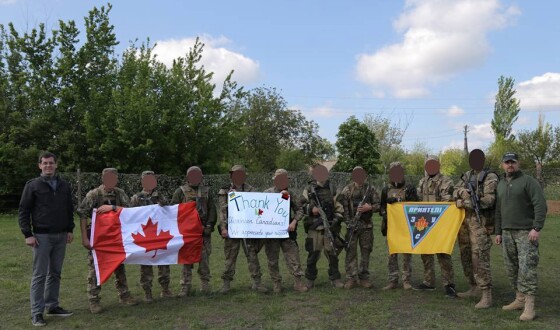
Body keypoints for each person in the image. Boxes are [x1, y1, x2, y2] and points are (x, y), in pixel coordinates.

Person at [18, 152, 74, 327]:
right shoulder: (33, 185)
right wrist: (28, 234)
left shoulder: (64, 185)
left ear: (56, 165)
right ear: (40, 166)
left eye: (51, 163)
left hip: (61, 236)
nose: (48, 166)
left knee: (55, 273)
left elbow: (69, 209)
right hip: (41, 237)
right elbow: (23, 211)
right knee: (39, 275)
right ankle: (37, 313)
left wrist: (70, 229)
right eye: (45, 163)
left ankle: (52, 306)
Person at [495, 152, 547, 321]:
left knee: (527, 269)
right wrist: (498, 232)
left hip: (526, 233)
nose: (510, 165)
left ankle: (530, 306)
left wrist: (536, 228)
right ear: (503, 164)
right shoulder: (501, 184)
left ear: (518, 164)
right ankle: (519, 299)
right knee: (511, 268)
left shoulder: (529, 182)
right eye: (507, 162)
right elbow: (498, 210)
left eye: (513, 162)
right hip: (506, 232)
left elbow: (540, 205)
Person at [77, 168, 137, 314]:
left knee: (119, 266)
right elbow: (83, 214)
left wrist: (113, 207)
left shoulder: (119, 193)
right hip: (99, 239)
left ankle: (124, 295)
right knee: (95, 268)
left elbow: (130, 211)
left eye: (113, 178)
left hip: (116, 237)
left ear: (116, 179)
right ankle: (94, 300)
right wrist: (85, 237)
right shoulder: (94, 194)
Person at [453, 149, 498, 309]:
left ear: (483, 159)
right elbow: (454, 190)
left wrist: (465, 202)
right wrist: (462, 191)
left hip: (481, 223)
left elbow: (489, 200)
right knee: (465, 254)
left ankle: (486, 294)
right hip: (464, 223)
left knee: (479, 258)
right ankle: (474, 287)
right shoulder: (466, 175)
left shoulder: (490, 177)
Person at [218, 165, 268, 293]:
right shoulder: (225, 191)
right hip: (232, 228)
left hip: (247, 228)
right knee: (230, 256)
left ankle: (257, 282)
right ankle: (226, 283)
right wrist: (223, 228)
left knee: (252, 255)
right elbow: (222, 211)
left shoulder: (251, 190)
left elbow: (257, 208)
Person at [413, 156, 458, 297]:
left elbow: (447, 200)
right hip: (425, 223)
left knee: (443, 254)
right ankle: (428, 282)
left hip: (441, 222)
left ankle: (449, 284)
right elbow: (418, 200)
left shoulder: (446, 181)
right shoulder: (422, 181)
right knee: (425, 253)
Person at [171, 166, 217, 296]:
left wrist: (209, 226)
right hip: (187, 232)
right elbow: (174, 211)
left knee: (204, 259)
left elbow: (212, 210)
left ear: (201, 177)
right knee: (187, 259)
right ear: (187, 177)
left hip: (203, 231)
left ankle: (205, 284)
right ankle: (185, 286)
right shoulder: (180, 192)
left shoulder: (207, 191)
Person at [263, 169, 308, 293]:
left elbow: (299, 210)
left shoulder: (291, 193)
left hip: (287, 231)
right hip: (271, 232)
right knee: (272, 259)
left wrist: (294, 222)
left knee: (293, 257)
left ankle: (298, 283)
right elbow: (260, 210)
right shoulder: (267, 193)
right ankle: (276, 283)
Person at [130, 171, 172, 302]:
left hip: (159, 235)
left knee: (164, 263)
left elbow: (168, 207)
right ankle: (147, 291)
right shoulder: (136, 198)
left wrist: (158, 197)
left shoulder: (159, 196)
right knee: (146, 265)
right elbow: (130, 215)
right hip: (145, 236)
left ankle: (165, 289)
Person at [301, 163, 345, 289]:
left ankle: (335, 278)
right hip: (314, 228)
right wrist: (311, 209)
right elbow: (302, 205)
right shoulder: (308, 189)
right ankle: (310, 279)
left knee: (332, 255)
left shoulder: (333, 189)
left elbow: (339, 208)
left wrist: (335, 221)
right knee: (312, 255)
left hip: (329, 228)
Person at [379, 161, 418, 290]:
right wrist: (385, 213)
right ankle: (393, 280)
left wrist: (402, 200)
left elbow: (415, 206)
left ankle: (406, 280)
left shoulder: (410, 188)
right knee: (392, 254)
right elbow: (381, 207)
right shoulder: (386, 189)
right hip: (391, 227)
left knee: (406, 254)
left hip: (406, 227)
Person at [340, 166, 380, 289]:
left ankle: (364, 277)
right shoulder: (347, 190)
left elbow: (378, 205)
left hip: (366, 226)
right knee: (351, 253)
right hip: (352, 226)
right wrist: (349, 223)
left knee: (366, 252)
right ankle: (351, 278)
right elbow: (344, 209)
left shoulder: (371, 189)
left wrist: (370, 208)